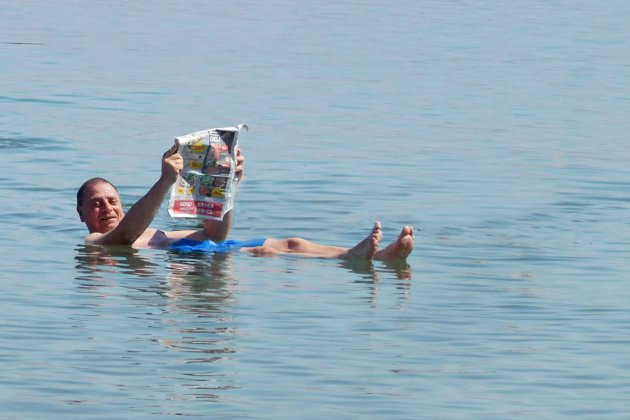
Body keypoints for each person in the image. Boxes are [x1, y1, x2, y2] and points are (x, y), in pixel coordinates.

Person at [76, 143, 414, 260]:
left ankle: (372, 257)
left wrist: (228, 185)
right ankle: (358, 258)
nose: (106, 208)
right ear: (81, 215)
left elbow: (216, 234)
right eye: (96, 204)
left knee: (290, 243)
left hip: (208, 255)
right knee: (266, 252)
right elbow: (121, 241)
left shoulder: (153, 233)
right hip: (201, 267)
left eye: (112, 200)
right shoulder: (94, 242)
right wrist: (166, 180)